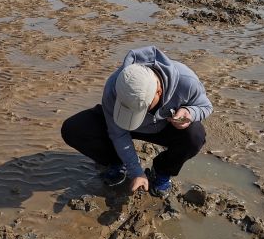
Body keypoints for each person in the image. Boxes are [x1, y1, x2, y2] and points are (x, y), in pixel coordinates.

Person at [61, 46, 213, 198]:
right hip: (120, 121)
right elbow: (118, 134)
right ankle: (117, 162)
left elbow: (206, 107)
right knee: (74, 129)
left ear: (158, 93)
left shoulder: (186, 81)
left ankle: (161, 172)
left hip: (164, 126)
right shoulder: (115, 86)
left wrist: (190, 113)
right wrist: (136, 171)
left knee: (195, 135)